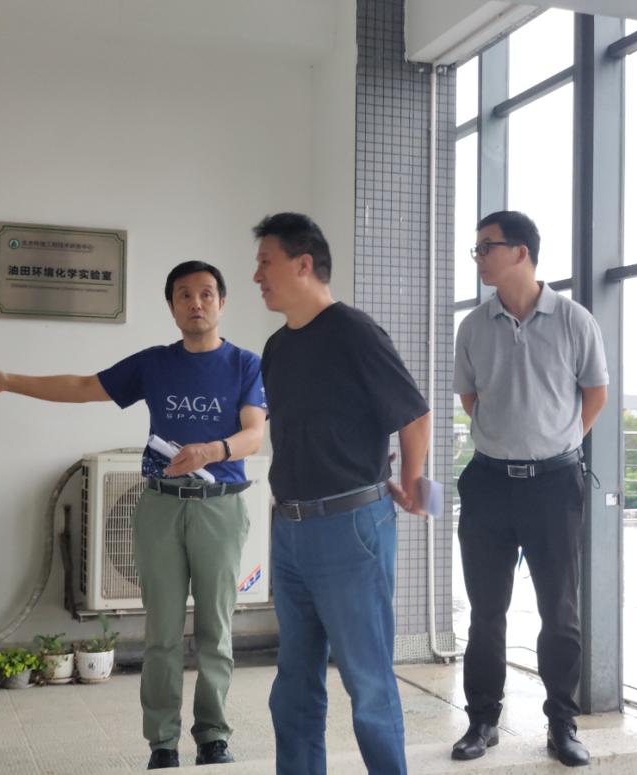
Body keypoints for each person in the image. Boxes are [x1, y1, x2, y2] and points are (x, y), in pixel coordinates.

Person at [0, 261, 267, 770]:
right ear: (171, 307)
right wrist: (7, 381)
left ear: (222, 302)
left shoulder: (245, 365)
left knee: (216, 631)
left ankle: (213, 736)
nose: (196, 303)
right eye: (184, 295)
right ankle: (162, 743)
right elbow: (82, 386)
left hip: (220, 507)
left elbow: (254, 434)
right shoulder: (154, 364)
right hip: (161, 506)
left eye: (206, 293)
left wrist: (212, 451)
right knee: (162, 633)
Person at [252, 212, 431, 775]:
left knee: (368, 683)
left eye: (266, 262)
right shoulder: (277, 347)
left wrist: (414, 482)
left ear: (303, 264)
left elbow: (415, 414)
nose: (257, 276)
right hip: (290, 530)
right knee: (294, 685)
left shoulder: (354, 331)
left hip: (351, 529)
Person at [451, 211, 608, 768]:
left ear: (521, 252)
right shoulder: (473, 327)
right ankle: (482, 721)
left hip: (554, 486)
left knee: (559, 612)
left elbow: (595, 392)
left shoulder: (573, 319)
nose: (479, 258)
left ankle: (562, 725)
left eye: (486, 247)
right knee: (485, 612)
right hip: (488, 483)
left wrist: (556, 443)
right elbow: (471, 399)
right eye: (476, 248)